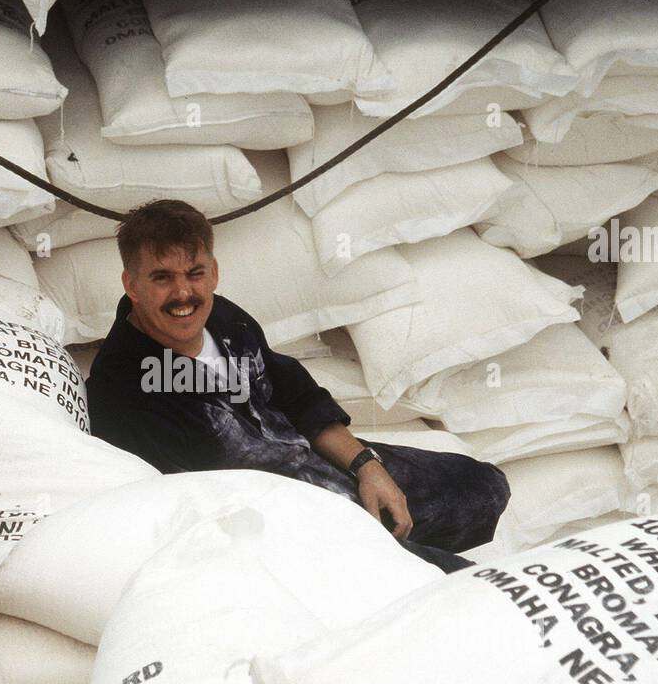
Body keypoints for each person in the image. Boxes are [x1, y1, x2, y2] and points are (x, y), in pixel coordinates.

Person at [86, 200, 511, 572]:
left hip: (324, 473)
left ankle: (405, 537)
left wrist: (368, 468)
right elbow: (194, 517)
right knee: (467, 588)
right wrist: (359, 539)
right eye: (161, 278)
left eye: (194, 273)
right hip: (292, 534)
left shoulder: (225, 320)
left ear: (213, 273)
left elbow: (298, 398)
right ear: (131, 285)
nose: (183, 293)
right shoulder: (125, 390)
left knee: (485, 487)